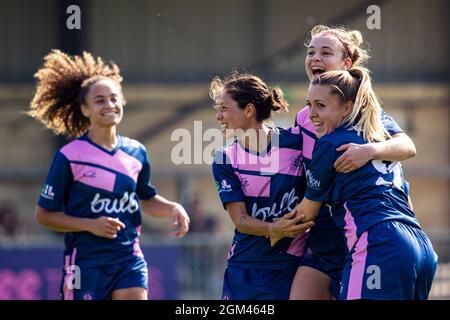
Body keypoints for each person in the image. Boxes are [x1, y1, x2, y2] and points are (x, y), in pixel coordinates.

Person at [28, 50, 190, 300]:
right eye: (100, 100)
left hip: (128, 258)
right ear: (85, 109)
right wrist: (90, 225)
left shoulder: (136, 152)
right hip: (84, 263)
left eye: (114, 98)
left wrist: (173, 208)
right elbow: (44, 215)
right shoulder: (70, 155)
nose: (109, 105)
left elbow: (145, 199)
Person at [282, 66, 437, 300]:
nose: (311, 113)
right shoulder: (378, 135)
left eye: (320, 106)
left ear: (348, 107)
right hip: (420, 246)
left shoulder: (330, 143)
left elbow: (307, 213)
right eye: (309, 104)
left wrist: (266, 230)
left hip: (378, 242)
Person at [210, 72, 314, 300]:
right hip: (245, 267)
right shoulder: (224, 158)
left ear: (249, 110)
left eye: (224, 108)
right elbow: (241, 220)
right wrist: (274, 229)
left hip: (291, 267)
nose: (219, 116)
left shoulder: (297, 142)